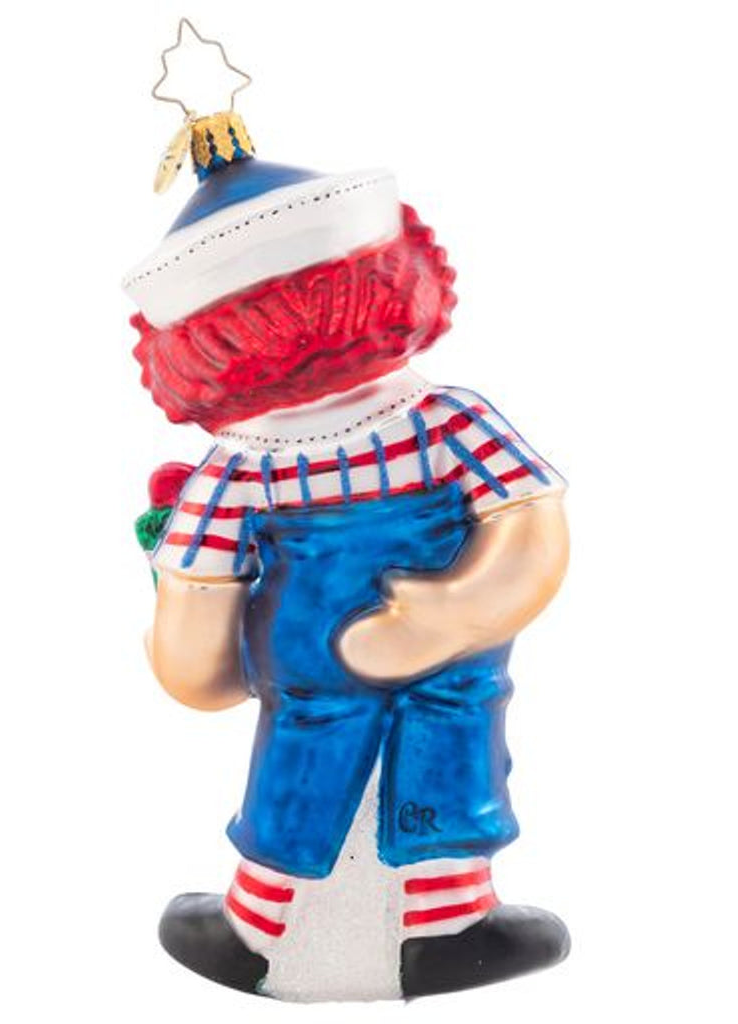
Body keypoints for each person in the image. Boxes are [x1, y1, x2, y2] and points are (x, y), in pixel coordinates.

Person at [126, 110, 571, 1001]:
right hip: (325, 676)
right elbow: (196, 585)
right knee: (310, 780)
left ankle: (435, 927)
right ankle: (269, 931)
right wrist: (194, 651)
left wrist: (457, 613)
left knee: (444, 765)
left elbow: (532, 525)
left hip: (434, 655)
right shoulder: (255, 464)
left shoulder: (439, 424)